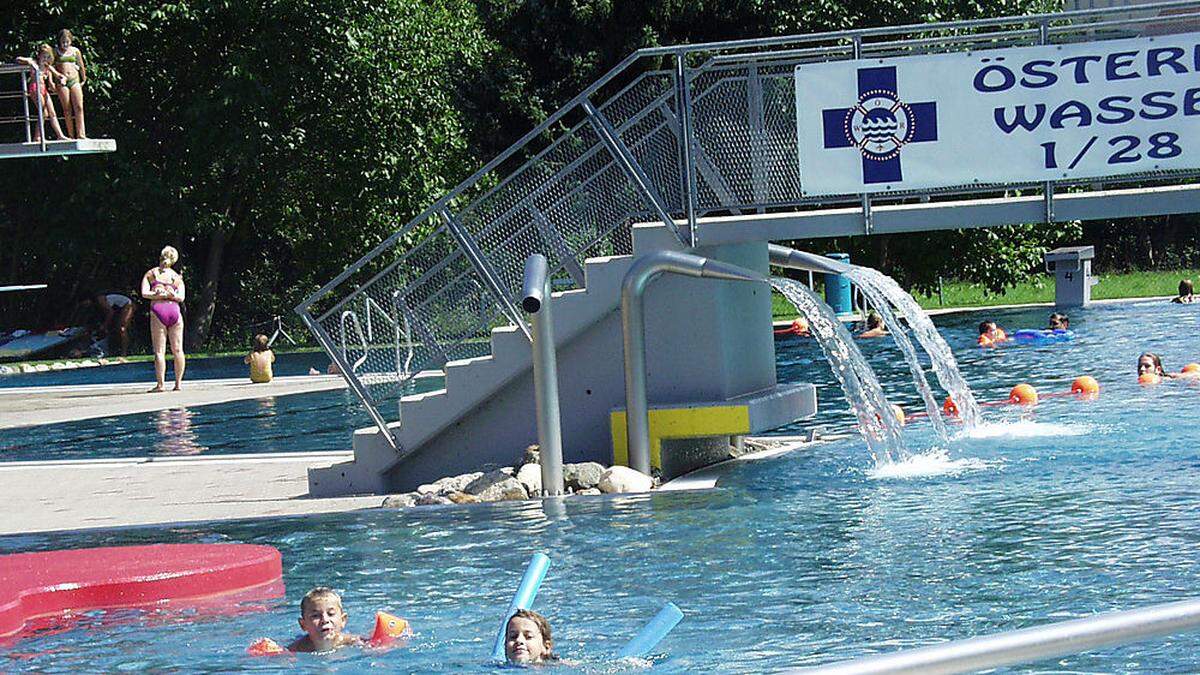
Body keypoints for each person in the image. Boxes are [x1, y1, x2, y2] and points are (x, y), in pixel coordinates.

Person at [140, 246, 186, 392]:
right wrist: (170, 295)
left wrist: (158, 294)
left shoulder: (151, 274)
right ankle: (178, 384)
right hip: (174, 310)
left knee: (159, 351)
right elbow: (181, 297)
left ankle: (161, 384)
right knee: (178, 349)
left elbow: (144, 293)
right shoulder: (176, 277)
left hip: (158, 309)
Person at [16, 45, 68, 142]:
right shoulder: (34, 63)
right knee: (44, 113)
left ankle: (60, 135)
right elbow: (18, 59)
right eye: (44, 56)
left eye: (48, 57)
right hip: (35, 88)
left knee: (52, 113)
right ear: (39, 56)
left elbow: (56, 77)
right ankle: (37, 136)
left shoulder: (48, 67)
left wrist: (61, 80)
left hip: (44, 89)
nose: (46, 59)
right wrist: (29, 61)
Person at [287, 587, 364, 653]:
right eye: (315, 616)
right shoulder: (297, 648)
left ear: (343, 620)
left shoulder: (353, 642)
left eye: (331, 614)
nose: (325, 620)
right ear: (303, 625)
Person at [53, 29, 86, 139]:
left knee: (79, 107)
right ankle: (71, 134)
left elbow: (81, 65)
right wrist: (52, 82)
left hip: (74, 79)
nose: (65, 44)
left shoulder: (75, 51)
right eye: (63, 42)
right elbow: (50, 67)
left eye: (67, 41)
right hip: (62, 82)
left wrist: (83, 78)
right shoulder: (56, 52)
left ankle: (81, 134)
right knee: (67, 108)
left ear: (71, 41)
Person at [96, 292, 134, 356]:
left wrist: (105, 325)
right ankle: (118, 350)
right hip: (122, 308)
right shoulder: (105, 300)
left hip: (127, 305)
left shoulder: (101, 300)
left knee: (122, 329)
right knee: (117, 329)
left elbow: (110, 313)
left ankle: (124, 352)